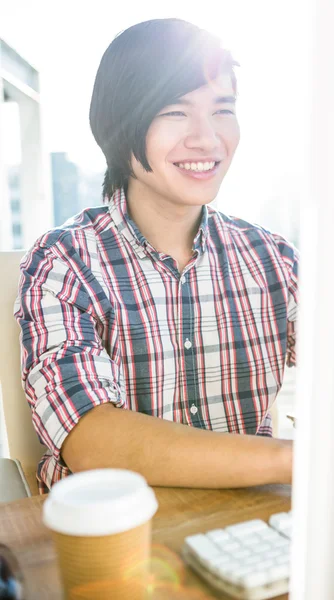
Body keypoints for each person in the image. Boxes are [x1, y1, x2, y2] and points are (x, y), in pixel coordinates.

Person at [14, 18, 298, 494]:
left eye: (222, 110)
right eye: (174, 112)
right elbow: (93, 439)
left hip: (247, 531)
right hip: (109, 544)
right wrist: (298, 460)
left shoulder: (273, 259)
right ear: (120, 124)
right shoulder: (63, 262)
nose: (207, 139)